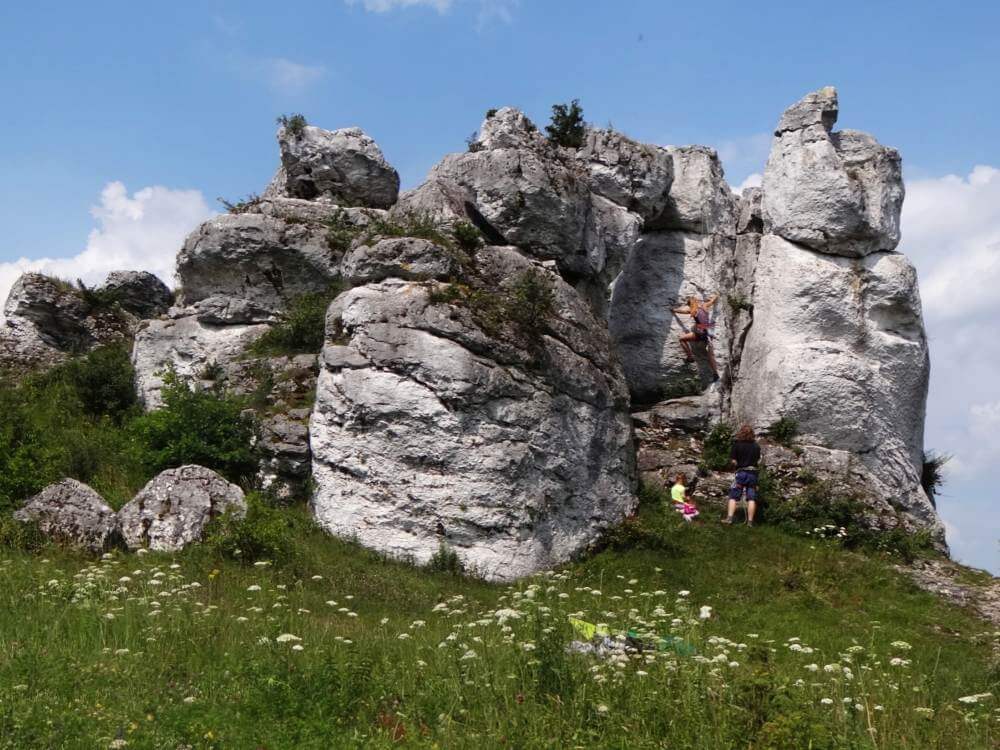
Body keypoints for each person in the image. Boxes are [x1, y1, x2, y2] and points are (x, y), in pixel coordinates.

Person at [672, 294, 720, 381]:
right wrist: (716, 296)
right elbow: (712, 301)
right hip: (708, 333)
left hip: (699, 334)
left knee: (682, 339)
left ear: (690, 305)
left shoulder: (693, 311)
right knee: (710, 355)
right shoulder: (704, 306)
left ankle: (690, 357)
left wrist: (673, 310)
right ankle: (715, 373)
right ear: (697, 301)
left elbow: (682, 312)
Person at [722, 424, 762, 526]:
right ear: (752, 434)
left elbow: (734, 461)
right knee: (751, 498)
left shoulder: (737, 445)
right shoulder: (756, 446)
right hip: (753, 474)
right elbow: (757, 460)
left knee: (733, 496)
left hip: (741, 473)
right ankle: (750, 522)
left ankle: (729, 518)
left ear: (741, 433)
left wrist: (735, 463)